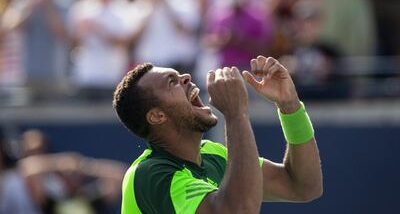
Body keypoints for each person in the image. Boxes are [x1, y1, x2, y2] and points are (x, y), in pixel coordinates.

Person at [113, 55, 323, 214]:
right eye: (172, 82)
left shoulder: (214, 156)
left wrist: (290, 106)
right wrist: (235, 114)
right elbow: (238, 211)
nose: (186, 77)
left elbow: (303, 186)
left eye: (179, 75)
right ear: (157, 116)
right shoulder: (150, 174)